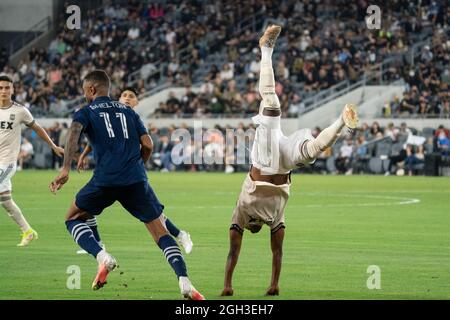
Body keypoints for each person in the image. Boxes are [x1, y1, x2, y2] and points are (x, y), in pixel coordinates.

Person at [221, 26, 359, 297]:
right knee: (313, 150)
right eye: (254, 227)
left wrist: (227, 284)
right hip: (283, 166)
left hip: (264, 160)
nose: (254, 225)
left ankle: (266, 48)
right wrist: (274, 284)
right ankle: (342, 120)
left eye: (252, 226)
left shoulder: (240, 214)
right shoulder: (275, 218)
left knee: (271, 102)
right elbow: (278, 252)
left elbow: (232, 252)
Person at [49, 70, 204, 299]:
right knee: (160, 233)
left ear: (92, 89)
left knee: (72, 217)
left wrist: (65, 168)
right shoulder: (128, 112)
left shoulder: (86, 111)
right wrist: (138, 166)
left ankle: (102, 256)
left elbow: (73, 133)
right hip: (135, 180)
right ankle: (185, 282)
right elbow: (148, 144)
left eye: (84, 90)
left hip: (105, 180)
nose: (84, 95)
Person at [75, 88, 193, 255]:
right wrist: (84, 154)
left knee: (154, 212)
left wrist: (141, 164)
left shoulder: (134, 119)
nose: (127, 98)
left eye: (131, 96)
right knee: (89, 206)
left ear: (137, 102)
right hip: (117, 172)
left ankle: (180, 234)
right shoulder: (117, 116)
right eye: (124, 95)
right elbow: (97, 137)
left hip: (132, 174)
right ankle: (98, 242)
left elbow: (147, 144)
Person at [0, 75, 64, 246]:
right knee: (5, 200)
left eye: (7, 87)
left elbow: (38, 128)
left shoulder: (20, 111)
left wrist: (53, 146)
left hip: (7, 162)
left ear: (13, 89)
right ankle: (28, 231)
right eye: (1, 88)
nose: (4, 91)